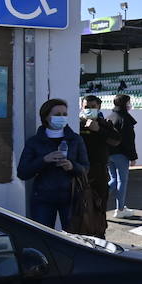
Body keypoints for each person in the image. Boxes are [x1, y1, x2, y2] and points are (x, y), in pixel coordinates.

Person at [16, 98, 89, 230]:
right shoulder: (35, 142)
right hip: (43, 198)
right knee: (43, 237)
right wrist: (44, 160)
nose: (61, 118)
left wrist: (72, 166)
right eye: (57, 115)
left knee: (74, 238)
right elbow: (22, 172)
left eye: (64, 115)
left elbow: (85, 168)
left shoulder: (75, 139)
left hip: (71, 197)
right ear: (46, 116)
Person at [75, 95, 117, 238]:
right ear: (81, 107)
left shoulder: (105, 123)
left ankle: (100, 235)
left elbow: (116, 140)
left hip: (100, 171)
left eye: (93, 107)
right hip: (82, 172)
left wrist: (98, 129)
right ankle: (84, 235)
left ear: (98, 107)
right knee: (82, 206)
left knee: (100, 205)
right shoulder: (76, 124)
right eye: (86, 107)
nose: (89, 110)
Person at [105, 94, 139, 217]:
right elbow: (129, 140)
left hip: (109, 154)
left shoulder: (110, 117)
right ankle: (120, 209)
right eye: (128, 102)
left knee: (113, 179)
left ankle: (98, 199)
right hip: (121, 154)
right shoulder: (124, 119)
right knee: (121, 181)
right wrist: (133, 157)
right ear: (125, 104)